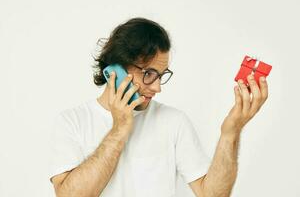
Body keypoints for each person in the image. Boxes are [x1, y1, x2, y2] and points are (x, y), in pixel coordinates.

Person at [49, 17, 269, 197]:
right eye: (148, 74)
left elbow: (213, 195)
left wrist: (231, 132)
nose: (157, 88)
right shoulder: (72, 121)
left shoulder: (174, 122)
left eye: (161, 76)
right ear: (116, 68)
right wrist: (119, 129)